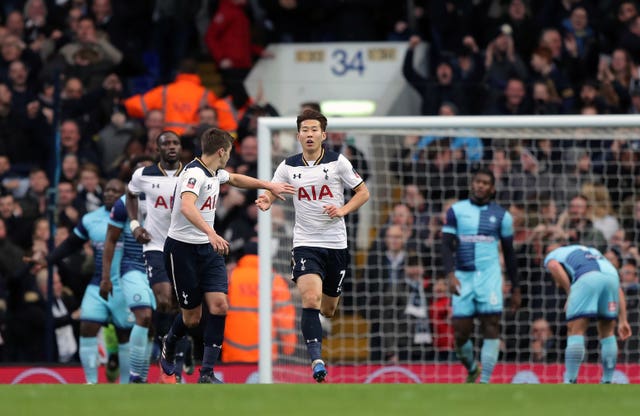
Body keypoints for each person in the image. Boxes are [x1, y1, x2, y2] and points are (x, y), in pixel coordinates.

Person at [159, 127, 295, 384]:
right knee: (192, 318)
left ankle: (207, 373)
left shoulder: (213, 173)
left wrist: (268, 185)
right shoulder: (193, 174)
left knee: (220, 305)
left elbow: (234, 179)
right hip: (182, 249)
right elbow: (187, 206)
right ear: (221, 151)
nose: (230, 157)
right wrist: (211, 233)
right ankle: (169, 341)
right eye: (229, 152)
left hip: (208, 250)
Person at [256, 109, 370, 382]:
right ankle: (316, 359)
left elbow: (363, 192)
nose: (309, 134)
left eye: (314, 130)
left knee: (328, 308)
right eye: (304, 130)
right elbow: (275, 189)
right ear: (298, 136)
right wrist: (266, 201)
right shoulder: (287, 166)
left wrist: (342, 210)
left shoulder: (338, 162)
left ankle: (319, 338)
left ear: (323, 135)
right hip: (305, 243)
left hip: (336, 245)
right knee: (310, 299)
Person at [34, 179, 132, 384]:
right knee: (87, 326)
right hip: (98, 283)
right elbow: (71, 244)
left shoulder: (134, 220)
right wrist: (47, 260)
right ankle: (90, 383)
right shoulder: (90, 219)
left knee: (125, 334)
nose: (110, 193)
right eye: (107, 190)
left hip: (125, 285)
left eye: (116, 190)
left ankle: (126, 384)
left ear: (124, 196)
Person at [441, 167, 521, 383]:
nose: (480, 185)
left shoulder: (502, 216)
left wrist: (516, 287)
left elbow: (510, 254)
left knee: (491, 324)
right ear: (472, 183)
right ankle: (471, 368)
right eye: (477, 181)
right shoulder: (456, 211)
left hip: (490, 277)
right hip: (463, 277)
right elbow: (446, 246)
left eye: (485, 183)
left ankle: (485, 381)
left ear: (492, 188)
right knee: (460, 331)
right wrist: (449, 274)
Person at [125, 131, 191, 380]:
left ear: (181, 147)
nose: (171, 147)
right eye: (166, 143)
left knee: (183, 306)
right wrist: (134, 225)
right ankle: (169, 354)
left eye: (175, 143)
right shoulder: (143, 175)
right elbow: (130, 193)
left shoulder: (192, 174)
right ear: (158, 148)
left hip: (184, 246)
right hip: (155, 245)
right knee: (163, 300)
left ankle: (176, 351)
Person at [544, 243, 632, 383]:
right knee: (608, 331)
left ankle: (570, 380)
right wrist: (623, 320)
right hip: (612, 277)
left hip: (587, 277)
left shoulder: (553, 255)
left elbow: (554, 266)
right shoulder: (592, 251)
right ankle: (607, 380)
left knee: (575, 329)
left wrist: (569, 292)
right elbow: (618, 288)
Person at [100, 189, 156, 383]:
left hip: (158, 268)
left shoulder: (167, 196)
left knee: (152, 326)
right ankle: (133, 376)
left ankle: (142, 377)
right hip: (132, 267)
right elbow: (110, 239)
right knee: (144, 316)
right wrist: (105, 277)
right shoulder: (124, 203)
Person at [221, 240, 296, 363]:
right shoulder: (274, 280)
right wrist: (289, 349)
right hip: (265, 356)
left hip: (232, 354)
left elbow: (217, 309)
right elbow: (285, 319)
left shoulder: (230, 277)